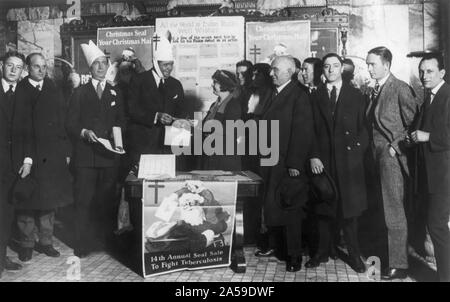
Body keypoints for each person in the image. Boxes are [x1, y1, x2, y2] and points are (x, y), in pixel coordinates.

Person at [306, 53, 368, 273]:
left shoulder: (357, 95)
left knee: (350, 211)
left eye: (335, 66)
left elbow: (364, 129)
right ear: (322, 70)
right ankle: (321, 252)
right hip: (323, 161)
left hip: (349, 162)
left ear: (342, 68)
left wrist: (357, 154)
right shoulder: (315, 95)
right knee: (323, 207)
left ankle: (355, 256)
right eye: (326, 67)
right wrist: (313, 155)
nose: (331, 70)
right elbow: (310, 129)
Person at [66, 40, 126, 258]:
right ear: (90, 68)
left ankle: (105, 242)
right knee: (83, 201)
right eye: (97, 64)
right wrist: (83, 132)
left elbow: (122, 121)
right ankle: (82, 244)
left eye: (104, 63)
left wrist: (116, 138)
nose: (101, 67)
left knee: (106, 200)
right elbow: (70, 123)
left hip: (109, 157)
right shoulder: (79, 92)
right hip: (86, 158)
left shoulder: (115, 92)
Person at [365, 46, 421, 280]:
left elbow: (414, 124)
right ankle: (385, 258)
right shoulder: (373, 89)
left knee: (393, 212)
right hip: (375, 158)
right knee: (381, 210)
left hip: (392, 160)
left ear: (386, 65)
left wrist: (394, 147)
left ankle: (399, 264)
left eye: (372, 64)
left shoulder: (400, 88)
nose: (368, 68)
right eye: (367, 64)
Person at [14, 53, 73, 262]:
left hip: (52, 154)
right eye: (37, 67)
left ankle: (46, 242)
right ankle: (27, 243)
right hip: (28, 153)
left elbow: (62, 120)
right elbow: (20, 127)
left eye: (44, 67)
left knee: (49, 200)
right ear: (28, 68)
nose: (41, 70)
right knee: (27, 201)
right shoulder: (21, 90)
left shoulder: (52, 87)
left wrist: (66, 150)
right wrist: (26, 159)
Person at [257, 56, 314, 272]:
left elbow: (302, 133)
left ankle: (294, 256)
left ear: (290, 72)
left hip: (287, 163)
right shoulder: (274, 93)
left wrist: (294, 164)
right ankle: (281, 249)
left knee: (291, 210)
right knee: (276, 206)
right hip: (272, 161)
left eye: (275, 70)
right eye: (271, 70)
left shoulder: (299, 95)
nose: (271, 74)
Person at [410, 53, 450, 282]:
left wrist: (428, 136)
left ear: (442, 73)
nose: (424, 76)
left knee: (437, 227)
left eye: (430, 71)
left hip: (444, 175)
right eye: (422, 71)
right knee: (434, 226)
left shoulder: (447, 95)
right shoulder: (430, 96)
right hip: (430, 175)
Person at [127, 31, 188, 170]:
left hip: (169, 146)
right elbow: (132, 110)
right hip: (145, 144)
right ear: (155, 63)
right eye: (165, 65)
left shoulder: (176, 84)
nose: (169, 68)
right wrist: (156, 116)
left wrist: (176, 119)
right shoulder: (139, 81)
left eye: (171, 64)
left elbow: (182, 111)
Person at [0, 51, 30, 278]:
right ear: (2, 66)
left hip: (11, 166)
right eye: (9, 65)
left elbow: (29, 130)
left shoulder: (23, 94)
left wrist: (27, 160)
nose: (13, 70)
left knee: (6, 213)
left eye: (17, 67)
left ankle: (1, 259)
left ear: (22, 71)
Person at [200, 70, 242, 171]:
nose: (212, 85)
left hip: (225, 158)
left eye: (215, 82)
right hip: (212, 155)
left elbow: (230, 132)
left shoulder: (233, 105)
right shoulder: (215, 105)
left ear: (224, 84)